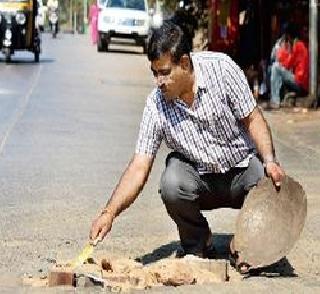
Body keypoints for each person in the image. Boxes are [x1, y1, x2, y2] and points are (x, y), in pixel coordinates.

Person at [89, 21, 285, 272]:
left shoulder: (222, 70)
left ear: (184, 63)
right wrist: (109, 212)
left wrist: (270, 160)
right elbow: (139, 166)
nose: (158, 81)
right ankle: (198, 241)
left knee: (270, 186)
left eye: (164, 72)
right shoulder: (156, 105)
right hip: (199, 179)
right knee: (171, 183)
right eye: (154, 73)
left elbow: (253, 118)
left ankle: (249, 245)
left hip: (242, 170)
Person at [270, 23, 309, 109]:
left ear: (288, 36)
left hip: (300, 82)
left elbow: (288, 63)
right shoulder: (300, 45)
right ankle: (278, 98)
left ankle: (275, 101)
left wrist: (281, 53)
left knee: (275, 67)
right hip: (302, 81)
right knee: (274, 67)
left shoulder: (298, 46)